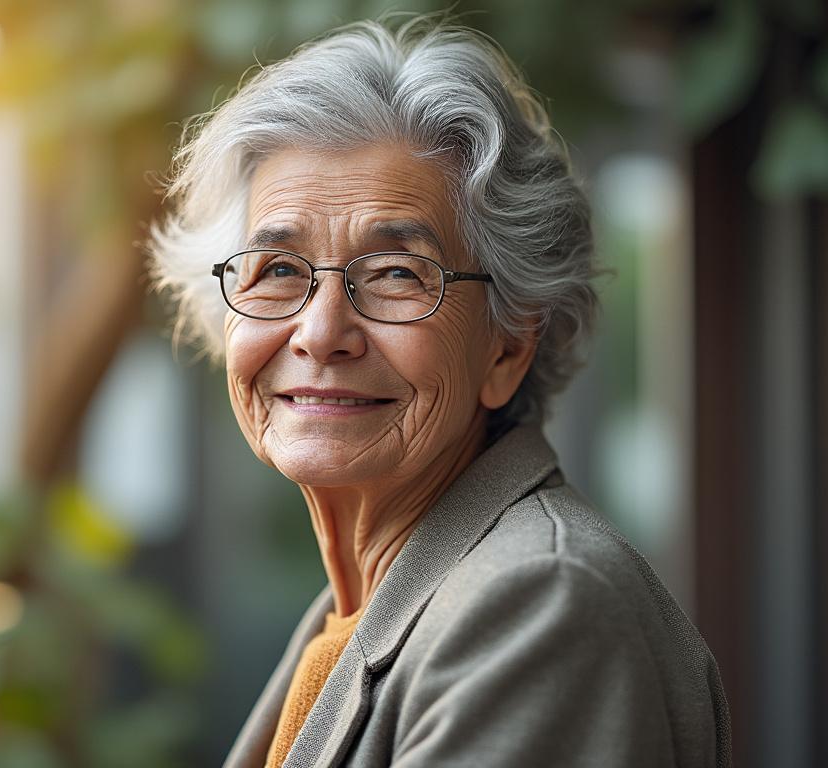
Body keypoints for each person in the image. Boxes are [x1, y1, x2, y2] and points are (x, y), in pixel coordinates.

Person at [148, 16, 731, 768]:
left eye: (396, 274)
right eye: (278, 270)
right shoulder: (361, 609)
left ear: (510, 344)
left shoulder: (538, 606)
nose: (321, 333)